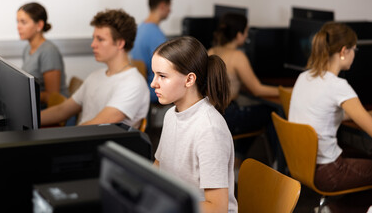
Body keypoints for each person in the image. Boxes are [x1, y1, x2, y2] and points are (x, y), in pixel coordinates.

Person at [152, 36, 238, 212]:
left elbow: (217, 207)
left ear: (189, 80)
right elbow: (158, 166)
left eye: (162, 76)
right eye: (154, 75)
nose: (153, 83)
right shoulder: (171, 115)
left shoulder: (209, 129)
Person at [289, 22, 372, 192]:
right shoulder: (338, 86)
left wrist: (363, 114)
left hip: (303, 165)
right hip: (329, 172)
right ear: (343, 51)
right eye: (354, 50)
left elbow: (326, 113)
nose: (354, 56)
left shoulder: (304, 77)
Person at [41, 9, 149, 129]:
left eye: (100, 39)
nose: (93, 44)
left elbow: (97, 125)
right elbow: (62, 111)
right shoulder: (95, 76)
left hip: (101, 145)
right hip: (84, 140)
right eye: (94, 38)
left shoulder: (133, 83)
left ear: (120, 44)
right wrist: (30, 121)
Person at [208, 12, 278, 163]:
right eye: (246, 32)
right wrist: (283, 91)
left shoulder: (211, 52)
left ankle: (238, 159)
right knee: (271, 112)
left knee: (253, 114)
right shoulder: (237, 57)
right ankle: (277, 164)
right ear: (239, 34)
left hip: (214, 112)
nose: (247, 36)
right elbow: (257, 89)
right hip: (229, 115)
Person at [17, 2, 68, 105]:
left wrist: (23, 94)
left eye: (23, 22)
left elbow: (53, 97)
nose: (18, 27)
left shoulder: (49, 51)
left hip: (54, 112)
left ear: (39, 25)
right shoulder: (27, 49)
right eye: (17, 22)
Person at [131, 0, 173, 103]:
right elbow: (168, 67)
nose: (170, 10)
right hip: (151, 88)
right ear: (162, 6)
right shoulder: (156, 35)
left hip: (140, 86)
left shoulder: (140, 28)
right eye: (169, 6)